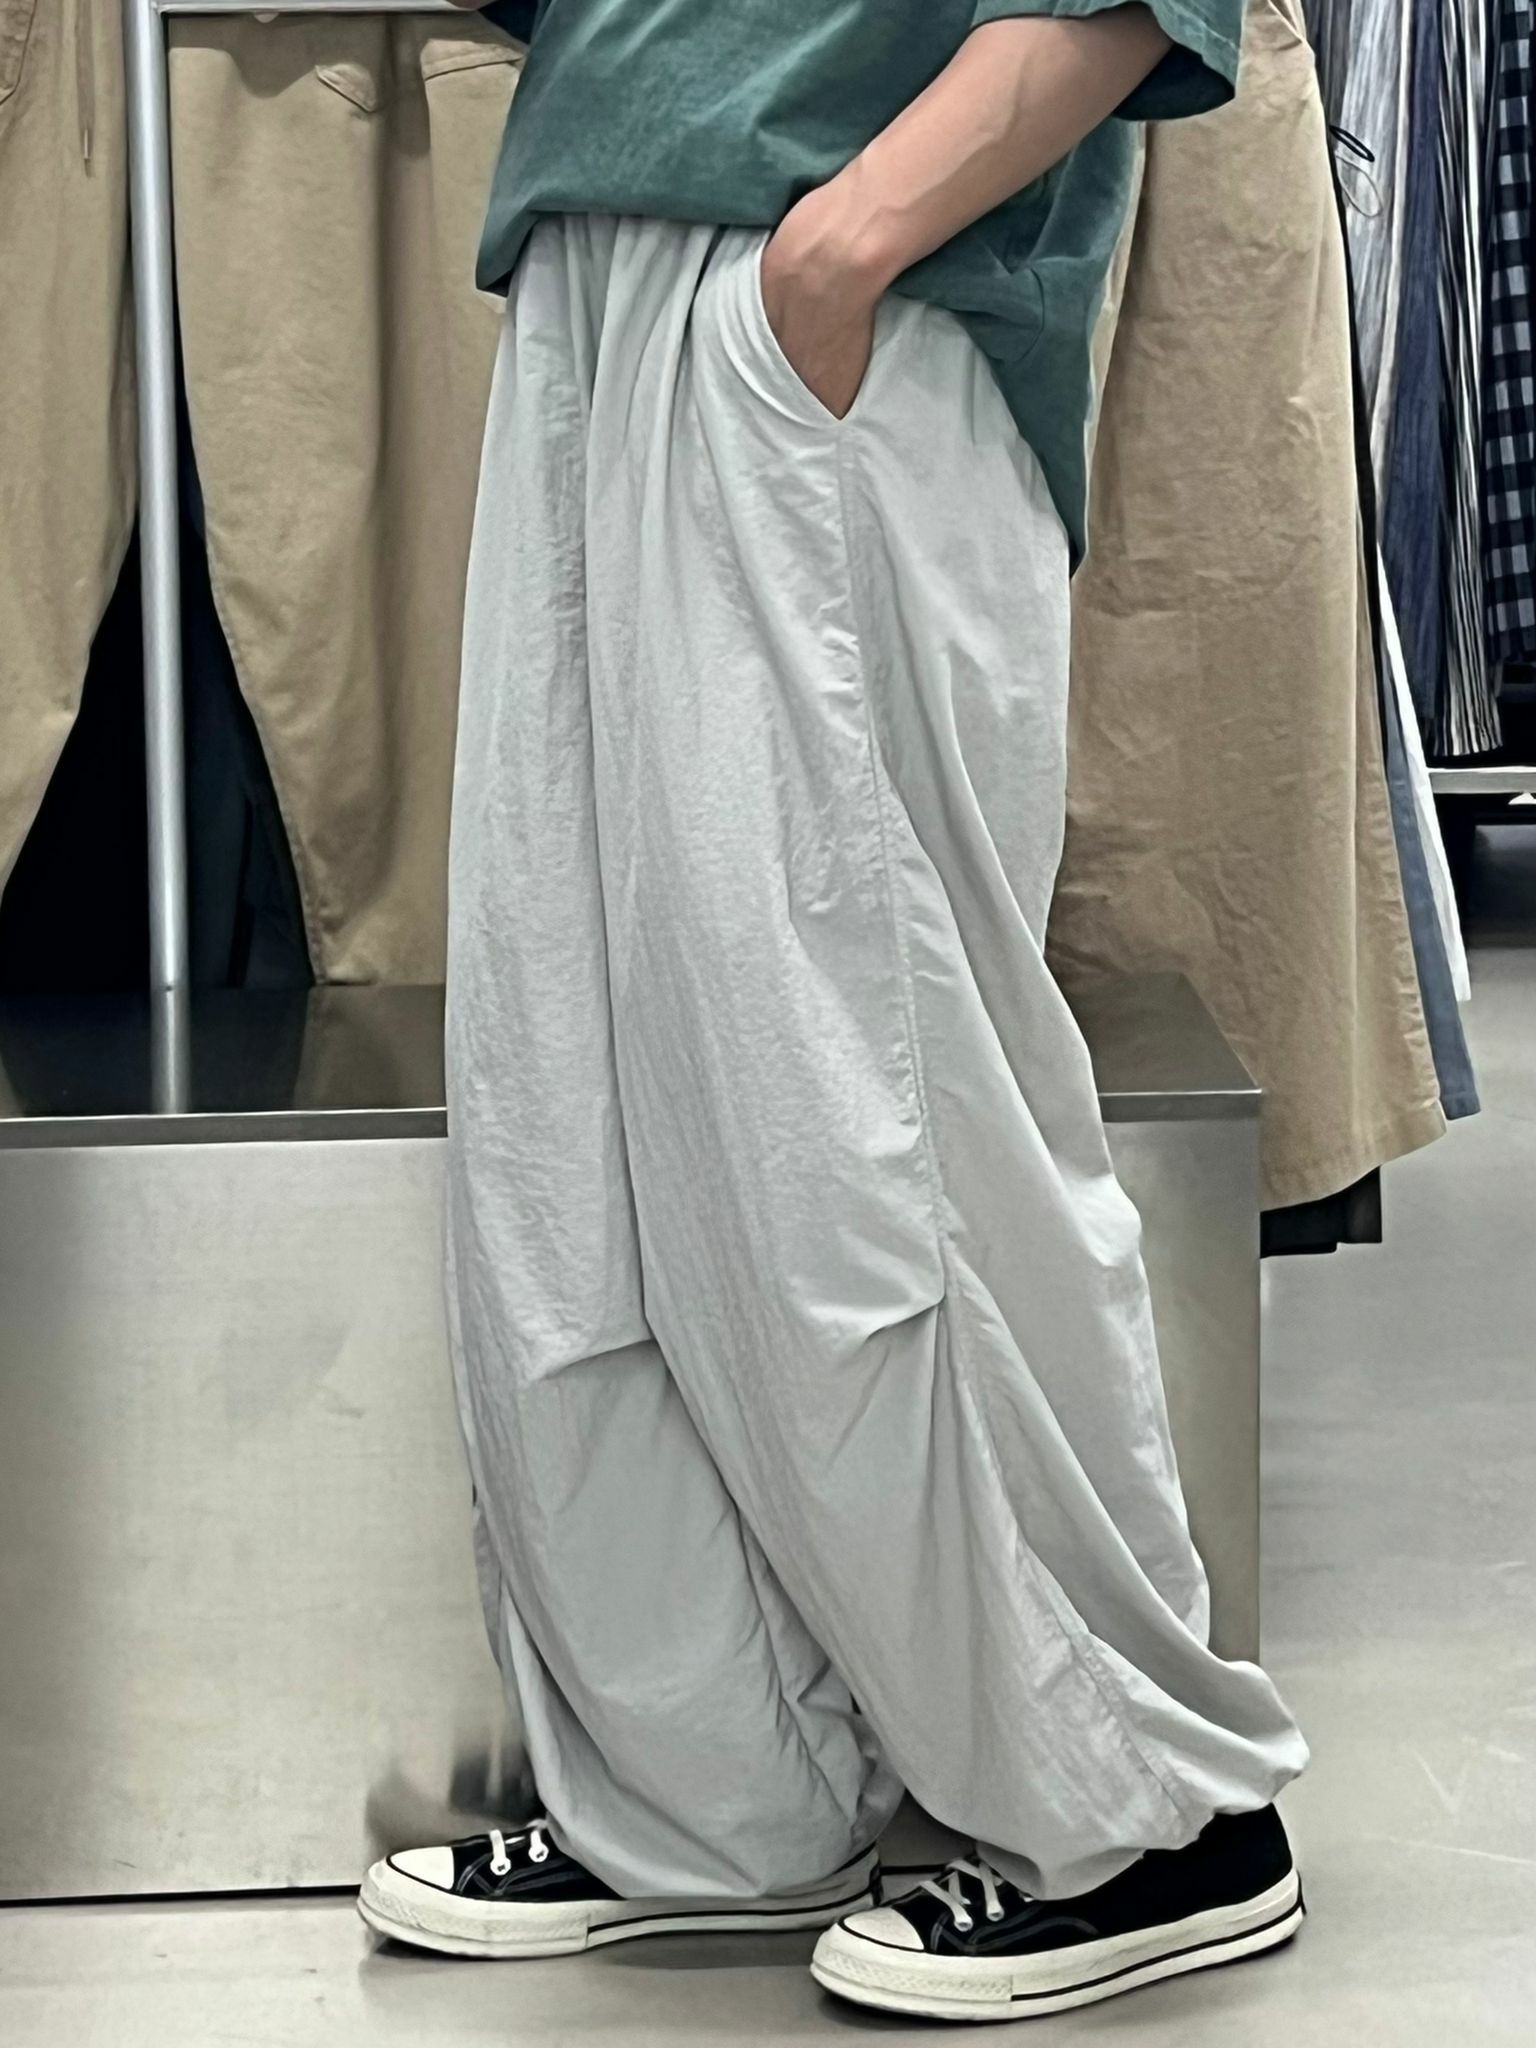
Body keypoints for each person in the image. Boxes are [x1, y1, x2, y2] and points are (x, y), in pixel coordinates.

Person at [359, 0, 1310, 2022]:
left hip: (831, 283)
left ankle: (1152, 1803)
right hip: (610, 253)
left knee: (872, 1106)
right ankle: (713, 1794)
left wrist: (848, 247)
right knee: (586, 1118)